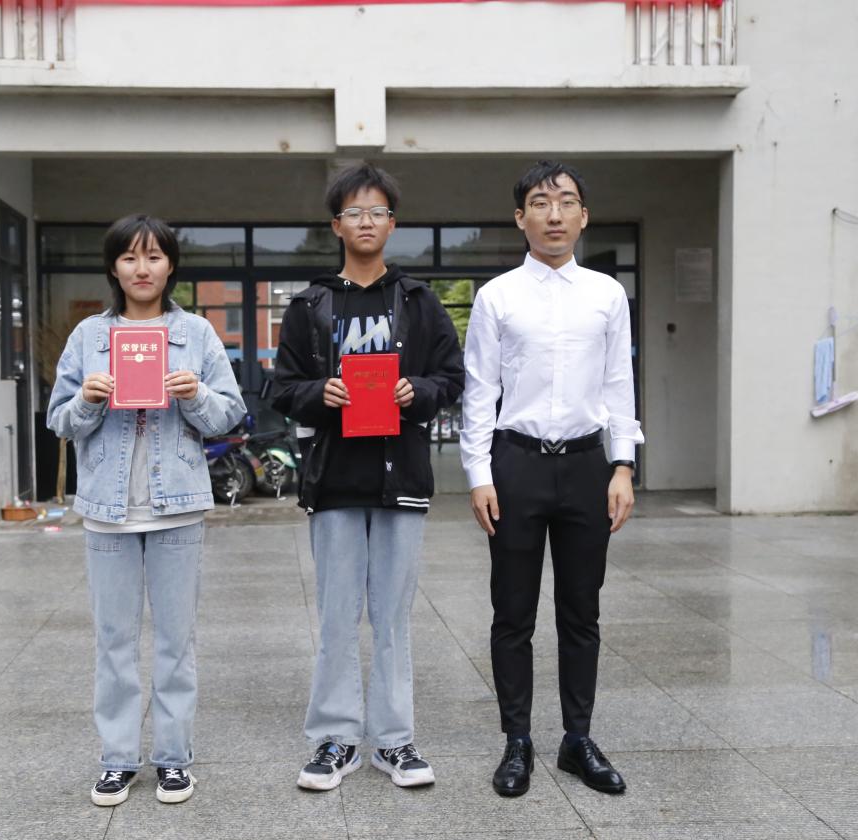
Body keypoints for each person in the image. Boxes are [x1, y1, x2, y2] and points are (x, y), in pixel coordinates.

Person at [272, 163, 465, 791]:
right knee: (336, 616)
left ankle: (394, 740)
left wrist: (419, 391)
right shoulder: (310, 306)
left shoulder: (418, 302)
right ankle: (335, 739)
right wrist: (318, 393)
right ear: (336, 225)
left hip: (399, 478)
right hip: (333, 481)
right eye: (353, 212)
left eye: (377, 212)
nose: (366, 221)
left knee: (392, 617)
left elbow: (452, 377)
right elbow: (282, 387)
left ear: (392, 224)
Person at [47, 215, 246, 807]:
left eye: (154, 256)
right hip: (107, 512)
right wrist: (87, 399)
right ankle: (117, 759)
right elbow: (58, 420)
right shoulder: (89, 336)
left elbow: (229, 413)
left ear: (170, 266)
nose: (142, 268)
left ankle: (173, 760)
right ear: (114, 267)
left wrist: (196, 394)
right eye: (130, 257)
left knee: (175, 643)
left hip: (176, 509)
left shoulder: (196, 333)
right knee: (113, 642)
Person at [460, 161, 644, 798]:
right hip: (517, 464)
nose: (555, 214)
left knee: (581, 611)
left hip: (588, 465)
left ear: (583, 216)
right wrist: (479, 474)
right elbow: (479, 391)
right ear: (521, 218)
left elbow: (619, 384)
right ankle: (517, 741)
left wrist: (623, 465)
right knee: (512, 612)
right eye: (540, 202)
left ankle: (577, 739)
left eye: (566, 202)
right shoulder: (497, 296)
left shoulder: (606, 294)